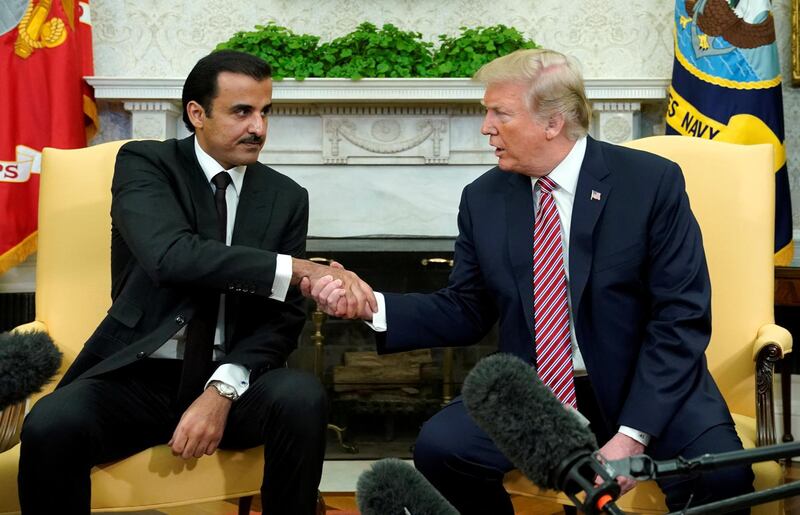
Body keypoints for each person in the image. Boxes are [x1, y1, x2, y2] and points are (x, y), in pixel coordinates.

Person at [306, 48, 754, 514]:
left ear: (552, 122)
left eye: (499, 113)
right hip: (537, 394)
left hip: (647, 383)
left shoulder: (650, 182)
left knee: (721, 473)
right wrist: (370, 306)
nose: (486, 127)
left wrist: (631, 436)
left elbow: (681, 317)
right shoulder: (484, 198)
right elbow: (465, 309)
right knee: (442, 449)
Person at [17, 50, 375, 515]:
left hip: (236, 376)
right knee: (50, 424)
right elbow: (172, 257)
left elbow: (282, 317)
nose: (259, 128)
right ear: (196, 114)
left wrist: (222, 388)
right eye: (242, 111)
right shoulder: (146, 164)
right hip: (139, 375)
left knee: (300, 397)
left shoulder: (286, 196)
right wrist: (303, 268)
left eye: (265, 112)